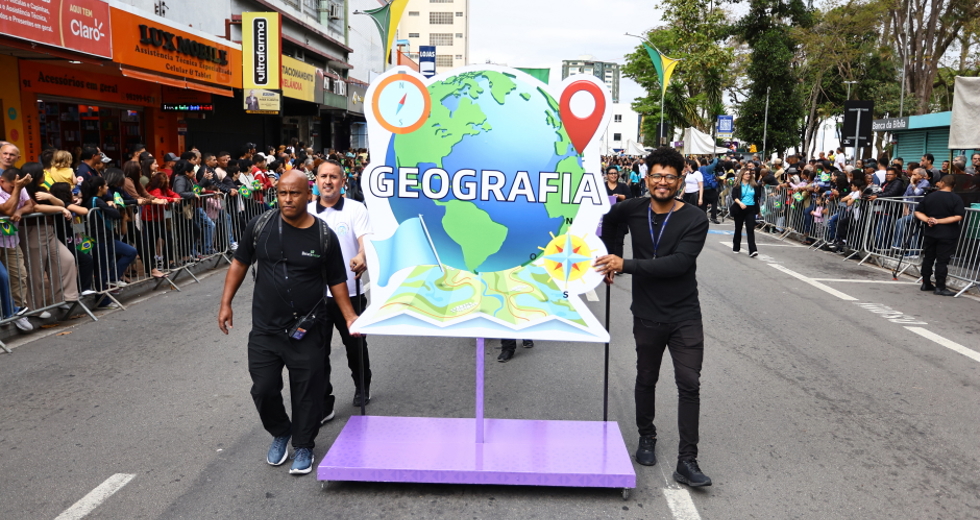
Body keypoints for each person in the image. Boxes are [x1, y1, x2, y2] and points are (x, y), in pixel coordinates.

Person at [218, 171, 359, 476]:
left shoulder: (323, 236)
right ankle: (281, 431)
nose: (287, 199)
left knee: (307, 390)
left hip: (307, 329)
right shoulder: (260, 226)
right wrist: (226, 303)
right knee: (264, 388)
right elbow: (240, 263)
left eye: (294, 194)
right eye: (282, 193)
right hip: (266, 329)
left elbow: (337, 281)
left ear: (308, 196)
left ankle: (304, 444)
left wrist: (349, 317)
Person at [593, 147, 712, 488]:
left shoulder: (694, 218)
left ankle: (687, 461)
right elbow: (611, 220)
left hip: (685, 314)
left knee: (689, 384)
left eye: (670, 177)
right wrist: (611, 253)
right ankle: (647, 436)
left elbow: (679, 263)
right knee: (646, 378)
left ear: (680, 181)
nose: (662, 183)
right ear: (647, 179)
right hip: (647, 313)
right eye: (657, 176)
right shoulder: (633, 209)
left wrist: (624, 265)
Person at [308, 160, 374, 413]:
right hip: (315, 297)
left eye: (333, 177)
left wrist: (362, 256)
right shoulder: (306, 212)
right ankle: (325, 401)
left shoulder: (356, 209)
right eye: (323, 176)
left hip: (350, 293)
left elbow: (365, 240)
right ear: (316, 180)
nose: (328, 181)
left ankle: (362, 386)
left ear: (343, 181)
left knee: (355, 346)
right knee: (316, 352)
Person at [914, 175, 965, 296]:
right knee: (942, 261)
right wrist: (938, 221)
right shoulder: (956, 198)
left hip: (931, 232)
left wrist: (928, 220)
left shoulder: (930, 196)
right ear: (954, 186)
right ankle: (940, 286)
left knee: (928, 257)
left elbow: (917, 211)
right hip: (947, 233)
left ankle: (926, 282)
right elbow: (958, 216)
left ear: (941, 183)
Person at [730, 168, 763, 257]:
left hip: (751, 208)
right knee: (738, 228)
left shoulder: (754, 185)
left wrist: (758, 210)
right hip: (739, 208)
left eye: (749, 174)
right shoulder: (737, 185)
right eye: (746, 174)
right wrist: (740, 203)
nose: (748, 175)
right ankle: (736, 247)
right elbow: (734, 196)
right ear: (742, 175)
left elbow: (756, 199)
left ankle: (753, 250)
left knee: (750, 229)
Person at [601, 167, 631, 259]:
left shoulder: (623, 186)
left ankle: (617, 263)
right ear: (607, 175)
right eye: (611, 173)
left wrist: (621, 197)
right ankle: (605, 260)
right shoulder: (602, 186)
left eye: (615, 173)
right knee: (605, 240)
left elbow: (630, 198)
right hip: (605, 218)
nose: (613, 175)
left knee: (618, 240)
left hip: (620, 218)